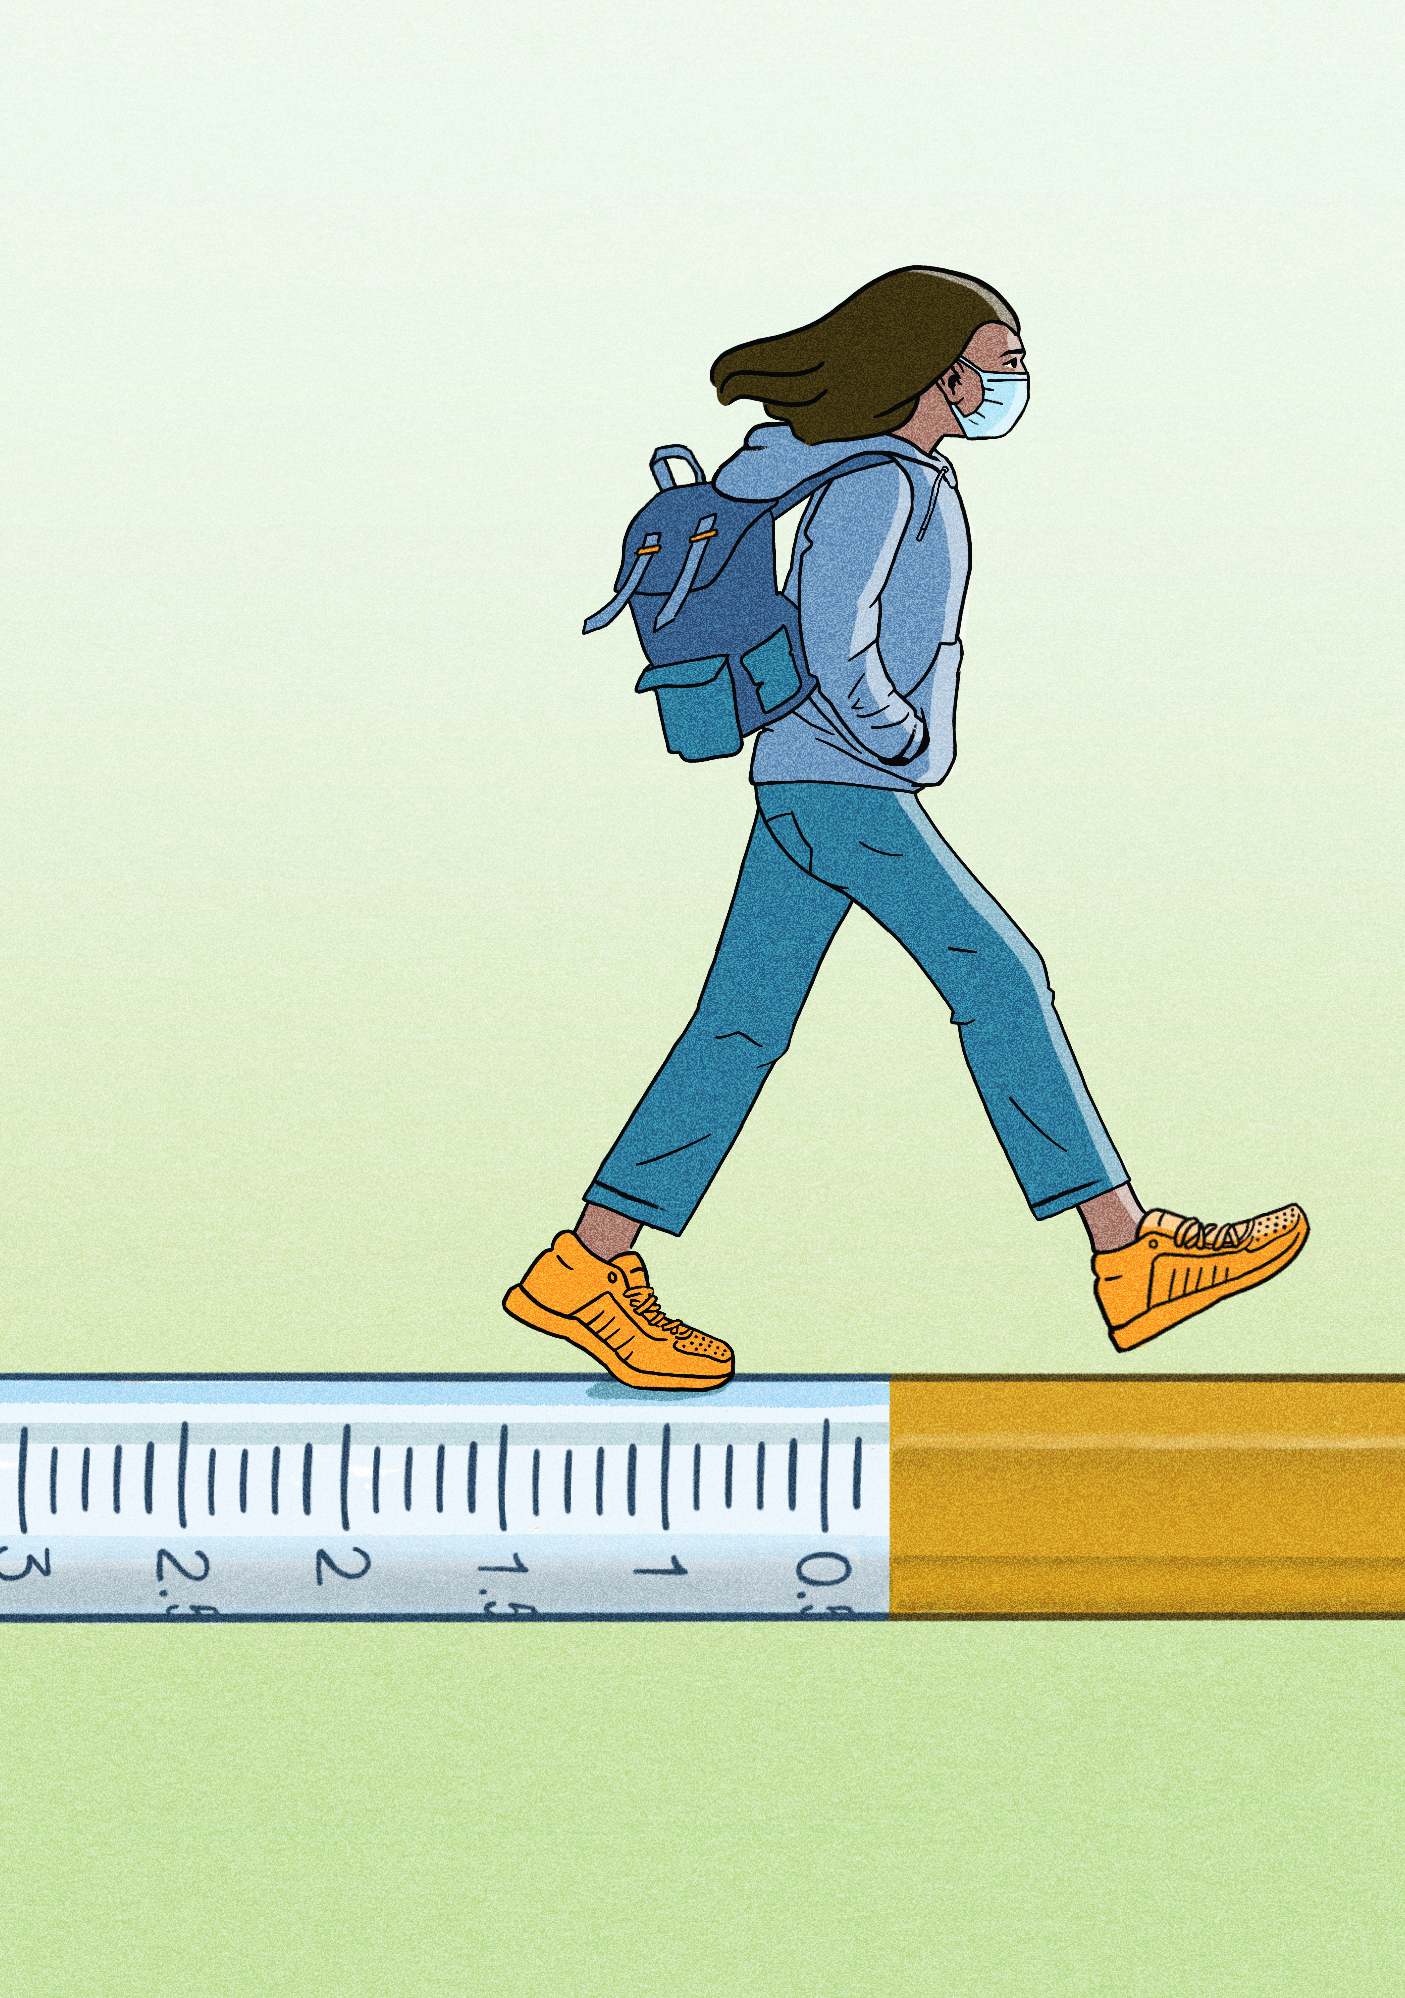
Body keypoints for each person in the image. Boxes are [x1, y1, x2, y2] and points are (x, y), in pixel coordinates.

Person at [506, 266, 1305, 1389]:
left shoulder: (874, 469)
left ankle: (585, 1266)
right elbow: (839, 636)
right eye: (999, 363)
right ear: (938, 373)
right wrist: (892, 737)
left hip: (805, 779)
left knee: (738, 1027)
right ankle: (1127, 1255)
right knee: (999, 973)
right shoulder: (880, 482)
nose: (1011, 383)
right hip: (843, 782)